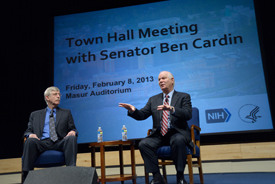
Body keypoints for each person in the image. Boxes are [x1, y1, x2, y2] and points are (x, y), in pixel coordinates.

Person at [119, 71, 193, 184]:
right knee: (144, 143)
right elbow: (142, 115)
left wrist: (172, 109)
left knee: (178, 140)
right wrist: (133, 110)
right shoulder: (153, 99)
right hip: (159, 135)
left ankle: (180, 177)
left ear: (172, 80)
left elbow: (188, 114)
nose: (161, 81)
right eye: (159, 79)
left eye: (163, 78)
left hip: (177, 132)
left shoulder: (183, 97)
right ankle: (157, 177)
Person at [22, 86, 78, 182]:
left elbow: (73, 129)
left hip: (59, 142)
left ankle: (71, 174)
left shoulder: (66, 113)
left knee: (71, 138)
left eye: (59, 94)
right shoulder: (35, 115)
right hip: (42, 142)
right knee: (30, 141)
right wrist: (29, 135)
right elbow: (28, 131)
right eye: (55, 94)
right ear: (47, 97)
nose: (58, 96)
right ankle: (27, 178)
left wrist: (73, 131)